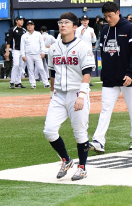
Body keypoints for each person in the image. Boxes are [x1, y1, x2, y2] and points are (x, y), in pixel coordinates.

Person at [44, 12, 96, 181]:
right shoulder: (53, 48)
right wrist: (52, 93)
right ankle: (66, 160)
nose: (62, 25)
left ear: (75, 27)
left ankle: (82, 167)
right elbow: (52, 71)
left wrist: (82, 95)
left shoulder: (83, 46)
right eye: (60, 22)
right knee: (49, 131)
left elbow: (87, 72)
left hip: (76, 93)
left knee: (80, 133)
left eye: (66, 22)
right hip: (59, 94)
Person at [90, 2, 132, 153]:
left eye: (110, 16)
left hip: (128, 77)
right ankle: (98, 140)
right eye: (106, 16)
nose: (108, 19)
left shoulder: (129, 28)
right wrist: (104, 73)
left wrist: (129, 73)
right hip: (110, 78)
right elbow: (104, 54)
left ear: (118, 12)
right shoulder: (106, 29)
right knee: (105, 108)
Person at [21, 20, 49, 88]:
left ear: (33, 26)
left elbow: (42, 44)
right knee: (30, 70)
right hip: (28, 54)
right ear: (27, 27)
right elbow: (22, 46)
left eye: (31, 25)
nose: (29, 26)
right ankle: (33, 84)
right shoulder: (24, 36)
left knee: (41, 68)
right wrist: (23, 55)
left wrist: (43, 52)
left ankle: (46, 83)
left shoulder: (38, 34)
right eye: (28, 25)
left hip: (37, 54)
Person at [9, 16, 27, 89]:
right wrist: (7, 51)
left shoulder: (24, 30)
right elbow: (9, 41)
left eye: (22, 20)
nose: (22, 21)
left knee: (21, 66)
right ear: (16, 21)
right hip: (15, 50)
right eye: (20, 20)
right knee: (16, 65)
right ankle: (12, 82)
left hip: (22, 50)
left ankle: (18, 82)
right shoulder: (12, 29)